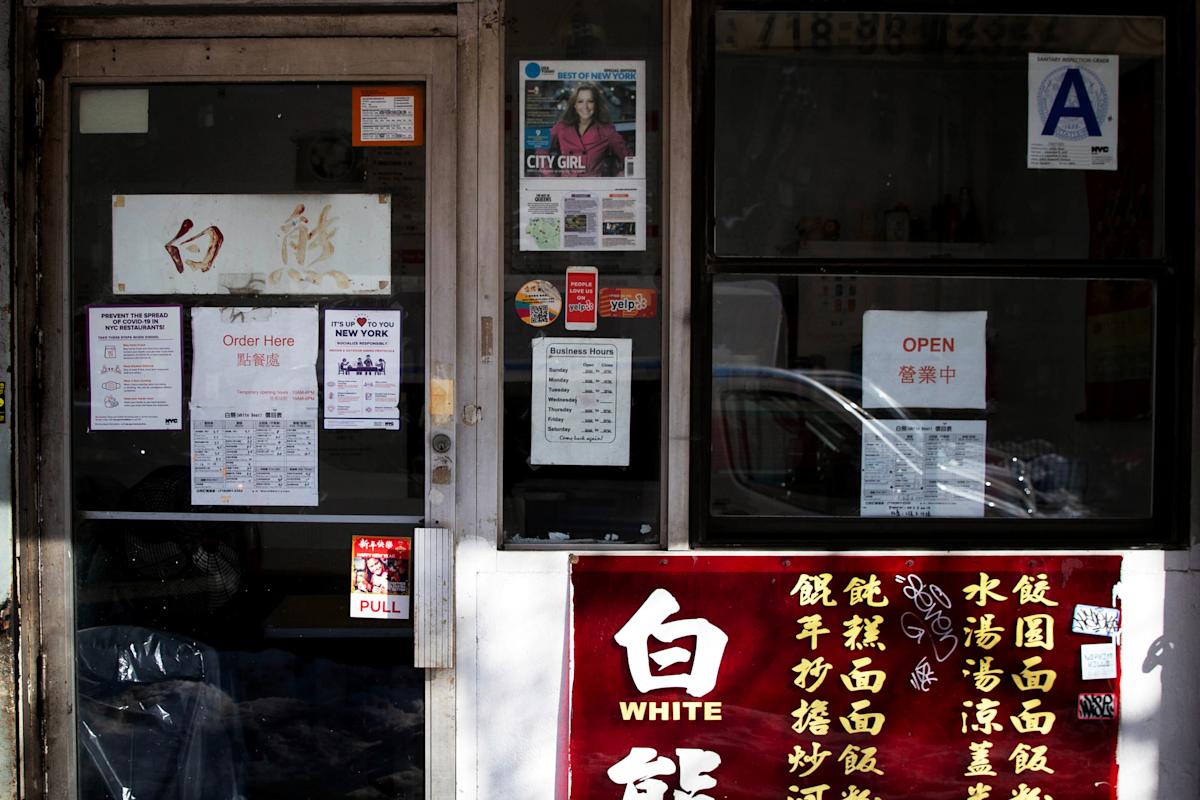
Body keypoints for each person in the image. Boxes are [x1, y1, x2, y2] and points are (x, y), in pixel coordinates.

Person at [544, 83, 629, 178]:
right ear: (574, 105)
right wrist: (550, 177)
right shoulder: (561, 127)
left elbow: (629, 158)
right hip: (566, 184)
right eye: (580, 101)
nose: (585, 106)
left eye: (590, 101)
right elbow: (542, 149)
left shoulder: (606, 130)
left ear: (596, 104)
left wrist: (617, 180)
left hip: (593, 185)